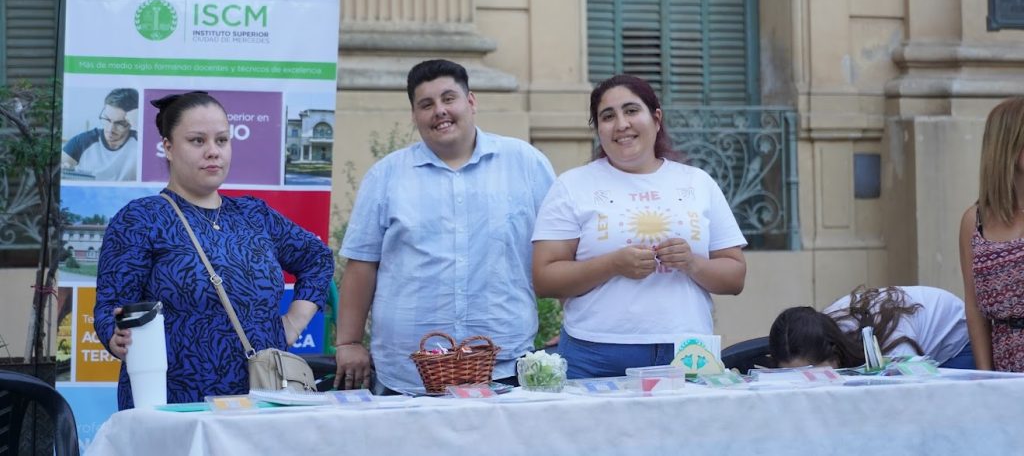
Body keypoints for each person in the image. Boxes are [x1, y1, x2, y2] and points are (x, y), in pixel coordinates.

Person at [94, 91, 333, 408]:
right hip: (175, 405)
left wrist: (292, 324)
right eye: (197, 141)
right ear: (167, 147)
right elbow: (111, 306)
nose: (213, 152)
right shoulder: (140, 219)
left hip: (261, 401)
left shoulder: (254, 215)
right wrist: (115, 335)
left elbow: (317, 259)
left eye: (222, 140)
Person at [335, 59, 556, 393]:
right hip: (407, 374)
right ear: (414, 116)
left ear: (471, 101)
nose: (439, 111)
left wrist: (575, 326)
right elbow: (362, 264)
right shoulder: (387, 176)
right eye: (426, 104)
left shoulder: (526, 164)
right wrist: (349, 342)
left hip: (505, 367)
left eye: (448, 98)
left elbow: (559, 248)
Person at [531, 74, 747, 379]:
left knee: (685, 428)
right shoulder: (573, 185)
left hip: (688, 350)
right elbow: (544, 279)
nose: (621, 124)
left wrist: (691, 263)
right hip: (595, 352)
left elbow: (735, 276)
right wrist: (612, 264)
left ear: (656, 118)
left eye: (631, 110)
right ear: (598, 129)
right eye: (608, 116)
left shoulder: (697, 182)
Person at [959, 96, 1024, 372]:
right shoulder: (974, 222)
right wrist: (985, 377)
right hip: (1004, 368)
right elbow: (974, 309)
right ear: (1008, 146)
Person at [769, 285, 974, 369]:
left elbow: (910, 397)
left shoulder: (892, 345)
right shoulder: (819, 330)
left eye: (812, 375)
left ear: (835, 355)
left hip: (958, 340)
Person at [62, 88, 139, 181]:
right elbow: (59, 169)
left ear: (131, 122)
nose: (110, 129)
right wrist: (63, 169)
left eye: (120, 123)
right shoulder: (82, 141)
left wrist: (141, 125)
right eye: (107, 119)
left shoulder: (141, 142)